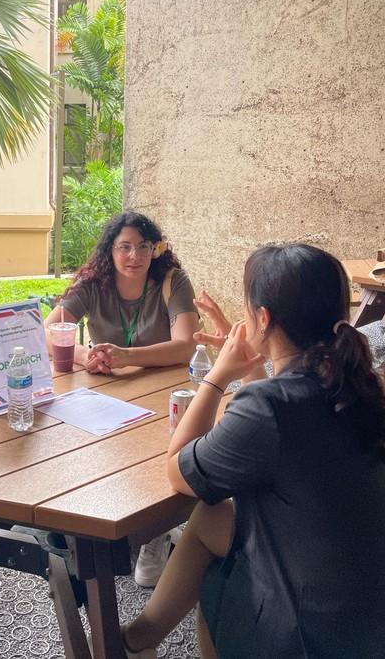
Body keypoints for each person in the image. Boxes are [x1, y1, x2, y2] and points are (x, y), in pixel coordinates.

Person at [120, 244, 385, 659]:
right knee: (213, 517)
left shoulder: (270, 407)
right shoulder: (361, 385)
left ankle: (137, 640)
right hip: (365, 610)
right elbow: (281, 427)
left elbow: (178, 471)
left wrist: (217, 376)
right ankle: (140, 638)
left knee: (217, 576)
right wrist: (255, 365)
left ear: (262, 318)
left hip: (310, 633)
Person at [44, 211, 199, 587]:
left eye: (143, 247)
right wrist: (86, 356)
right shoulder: (93, 283)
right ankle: (97, 524)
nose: (134, 256)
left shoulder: (171, 281)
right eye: (124, 247)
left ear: (155, 250)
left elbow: (186, 345)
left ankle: (155, 535)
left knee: (162, 455)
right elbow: (47, 331)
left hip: (163, 390)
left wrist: (128, 356)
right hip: (108, 390)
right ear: (109, 250)